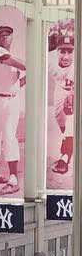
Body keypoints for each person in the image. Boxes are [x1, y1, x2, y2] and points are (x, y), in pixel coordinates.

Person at [0, 23, 26, 192]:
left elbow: (16, 84)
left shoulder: (8, 54)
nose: (4, 36)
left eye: (8, 33)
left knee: (9, 135)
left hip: (12, 100)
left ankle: (13, 179)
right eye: (1, 34)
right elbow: (22, 65)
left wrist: (29, 76)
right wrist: (29, 65)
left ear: (12, 37)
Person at [49, 22, 75, 179]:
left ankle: (64, 158)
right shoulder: (49, 60)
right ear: (57, 51)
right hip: (60, 90)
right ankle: (69, 144)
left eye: (70, 51)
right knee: (61, 122)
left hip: (75, 89)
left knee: (72, 121)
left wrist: (72, 97)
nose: (66, 56)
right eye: (62, 51)